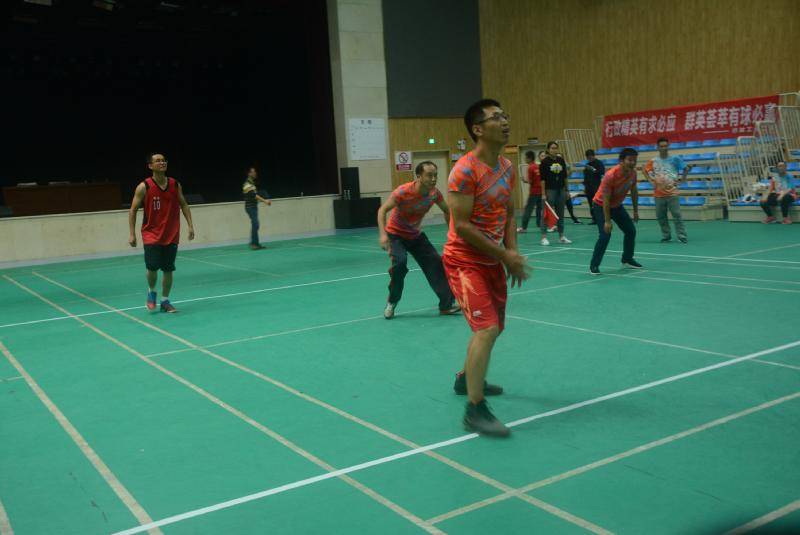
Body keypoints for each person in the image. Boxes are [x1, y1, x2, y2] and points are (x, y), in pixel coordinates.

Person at [444, 98, 530, 437]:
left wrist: (512, 251)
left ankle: (467, 379)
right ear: (478, 129)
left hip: (493, 258)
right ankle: (475, 410)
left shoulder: (507, 167)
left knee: (496, 327)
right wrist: (505, 255)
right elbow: (463, 226)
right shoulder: (464, 171)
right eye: (496, 117)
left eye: (505, 115)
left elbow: (508, 212)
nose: (504, 121)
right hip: (464, 261)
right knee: (486, 328)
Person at [377, 161, 460, 319]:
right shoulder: (403, 192)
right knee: (400, 265)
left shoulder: (434, 194)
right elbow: (382, 210)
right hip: (395, 235)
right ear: (419, 176)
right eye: (429, 175)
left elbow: (447, 210)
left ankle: (446, 305)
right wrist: (382, 235)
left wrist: (452, 233)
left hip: (415, 236)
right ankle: (392, 302)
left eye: (435, 175)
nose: (433, 179)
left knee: (436, 264)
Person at [128, 153, 195, 312]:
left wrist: (190, 226)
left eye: (164, 160)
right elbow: (133, 210)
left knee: (168, 269)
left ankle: (165, 301)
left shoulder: (174, 184)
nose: (162, 162)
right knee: (152, 268)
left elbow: (184, 205)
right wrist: (132, 233)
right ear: (150, 166)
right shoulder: (144, 186)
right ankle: (152, 292)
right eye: (157, 161)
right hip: (151, 234)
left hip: (171, 234)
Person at [589, 148, 643, 275]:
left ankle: (627, 259)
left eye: (634, 160)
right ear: (621, 161)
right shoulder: (611, 175)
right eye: (630, 160)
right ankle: (594, 265)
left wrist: (635, 211)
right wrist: (607, 221)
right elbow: (606, 200)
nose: (632, 163)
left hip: (616, 206)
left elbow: (634, 191)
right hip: (601, 205)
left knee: (630, 231)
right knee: (605, 235)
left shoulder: (633, 174)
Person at [642, 137, 691, 243]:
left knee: (677, 215)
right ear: (658, 147)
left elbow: (686, 168)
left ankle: (682, 236)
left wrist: (682, 180)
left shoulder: (675, 159)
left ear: (668, 146)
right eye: (661, 146)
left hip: (672, 193)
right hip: (658, 194)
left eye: (665, 146)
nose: (664, 148)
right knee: (661, 216)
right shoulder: (653, 161)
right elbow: (644, 170)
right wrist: (650, 181)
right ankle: (666, 236)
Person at [539, 141, 572, 245]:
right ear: (548, 149)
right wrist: (543, 193)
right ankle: (544, 237)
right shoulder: (544, 162)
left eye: (556, 148)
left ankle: (561, 236)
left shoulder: (561, 160)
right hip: (550, 191)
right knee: (546, 214)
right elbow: (542, 180)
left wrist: (567, 190)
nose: (554, 150)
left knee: (560, 214)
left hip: (561, 190)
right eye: (552, 148)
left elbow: (565, 177)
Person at [242, 167, 271, 250]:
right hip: (250, 207)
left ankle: (255, 243)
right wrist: (265, 201)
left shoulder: (252, 184)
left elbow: (256, 194)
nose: (255, 173)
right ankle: (253, 243)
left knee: (255, 224)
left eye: (255, 171)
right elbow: (254, 195)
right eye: (253, 172)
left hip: (254, 207)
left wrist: (265, 197)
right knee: (255, 224)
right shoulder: (247, 184)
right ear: (249, 173)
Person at [517, 150, 543, 233]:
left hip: (534, 192)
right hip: (541, 192)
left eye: (525, 157)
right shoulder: (538, 166)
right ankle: (542, 226)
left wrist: (525, 180)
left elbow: (530, 181)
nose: (525, 159)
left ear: (529, 158)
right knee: (540, 209)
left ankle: (523, 228)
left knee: (528, 210)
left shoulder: (530, 167)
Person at [557, 153, 582, 225]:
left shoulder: (564, 167)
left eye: (560, 157)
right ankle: (555, 220)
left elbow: (569, 172)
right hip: (554, 189)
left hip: (563, 188)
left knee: (569, 203)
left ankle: (574, 218)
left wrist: (567, 190)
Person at [583, 149, 605, 224]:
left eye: (591, 157)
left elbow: (602, 172)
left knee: (598, 203)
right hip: (588, 187)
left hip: (596, 187)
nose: (589, 158)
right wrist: (585, 187)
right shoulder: (587, 165)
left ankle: (601, 218)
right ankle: (594, 218)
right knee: (590, 204)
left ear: (593, 156)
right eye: (588, 157)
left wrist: (593, 169)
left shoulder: (599, 163)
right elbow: (585, 177)